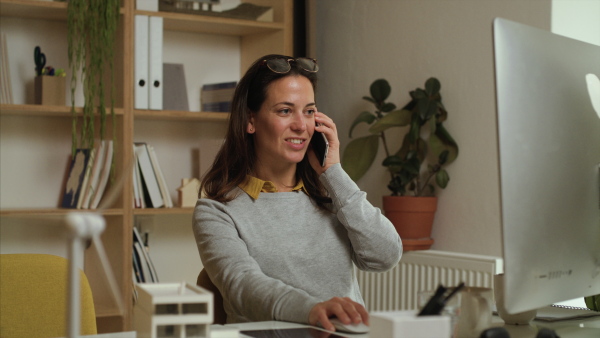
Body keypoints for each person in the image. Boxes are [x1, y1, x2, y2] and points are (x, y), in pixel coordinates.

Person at [192, 54, 402, 332]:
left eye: (309, 111)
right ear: (250, 120)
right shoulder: (216, 212)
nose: (302, 126)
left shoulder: (331, 197)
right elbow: (242, 284)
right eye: (285, 111)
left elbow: (385, 256)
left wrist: (334, 174)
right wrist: (313, 310)